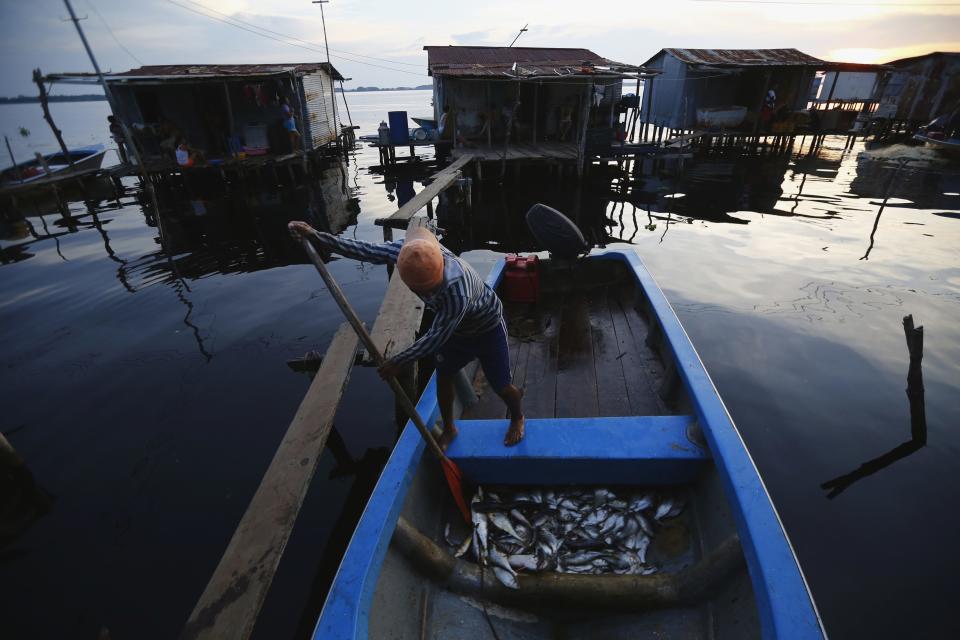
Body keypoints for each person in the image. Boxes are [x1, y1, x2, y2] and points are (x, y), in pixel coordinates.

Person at [287, 221, 525, 449]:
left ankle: (517, 416)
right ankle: (450, 428)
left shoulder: (457, 291)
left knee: (501, 385)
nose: (426, 294)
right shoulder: (408, 254)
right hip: (456, 333)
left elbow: (435, 338)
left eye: (431, 289)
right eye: (420, 290)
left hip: (486, 329)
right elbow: (365, 250)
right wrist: (316, 236)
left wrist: (398, 361)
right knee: (443, 377)